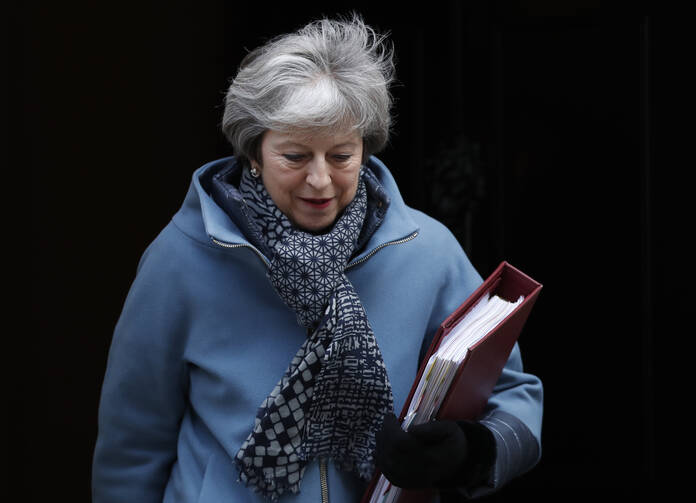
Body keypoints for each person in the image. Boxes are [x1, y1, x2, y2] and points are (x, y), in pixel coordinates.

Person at [92, 14, 543, 503]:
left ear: (365, 150)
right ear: (254, 152)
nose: (320, 181)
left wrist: (470, 451)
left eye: (341, 156)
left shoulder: (427, 251)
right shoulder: (181, 259)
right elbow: (133, 447)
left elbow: (513, 393)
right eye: (295, 156)